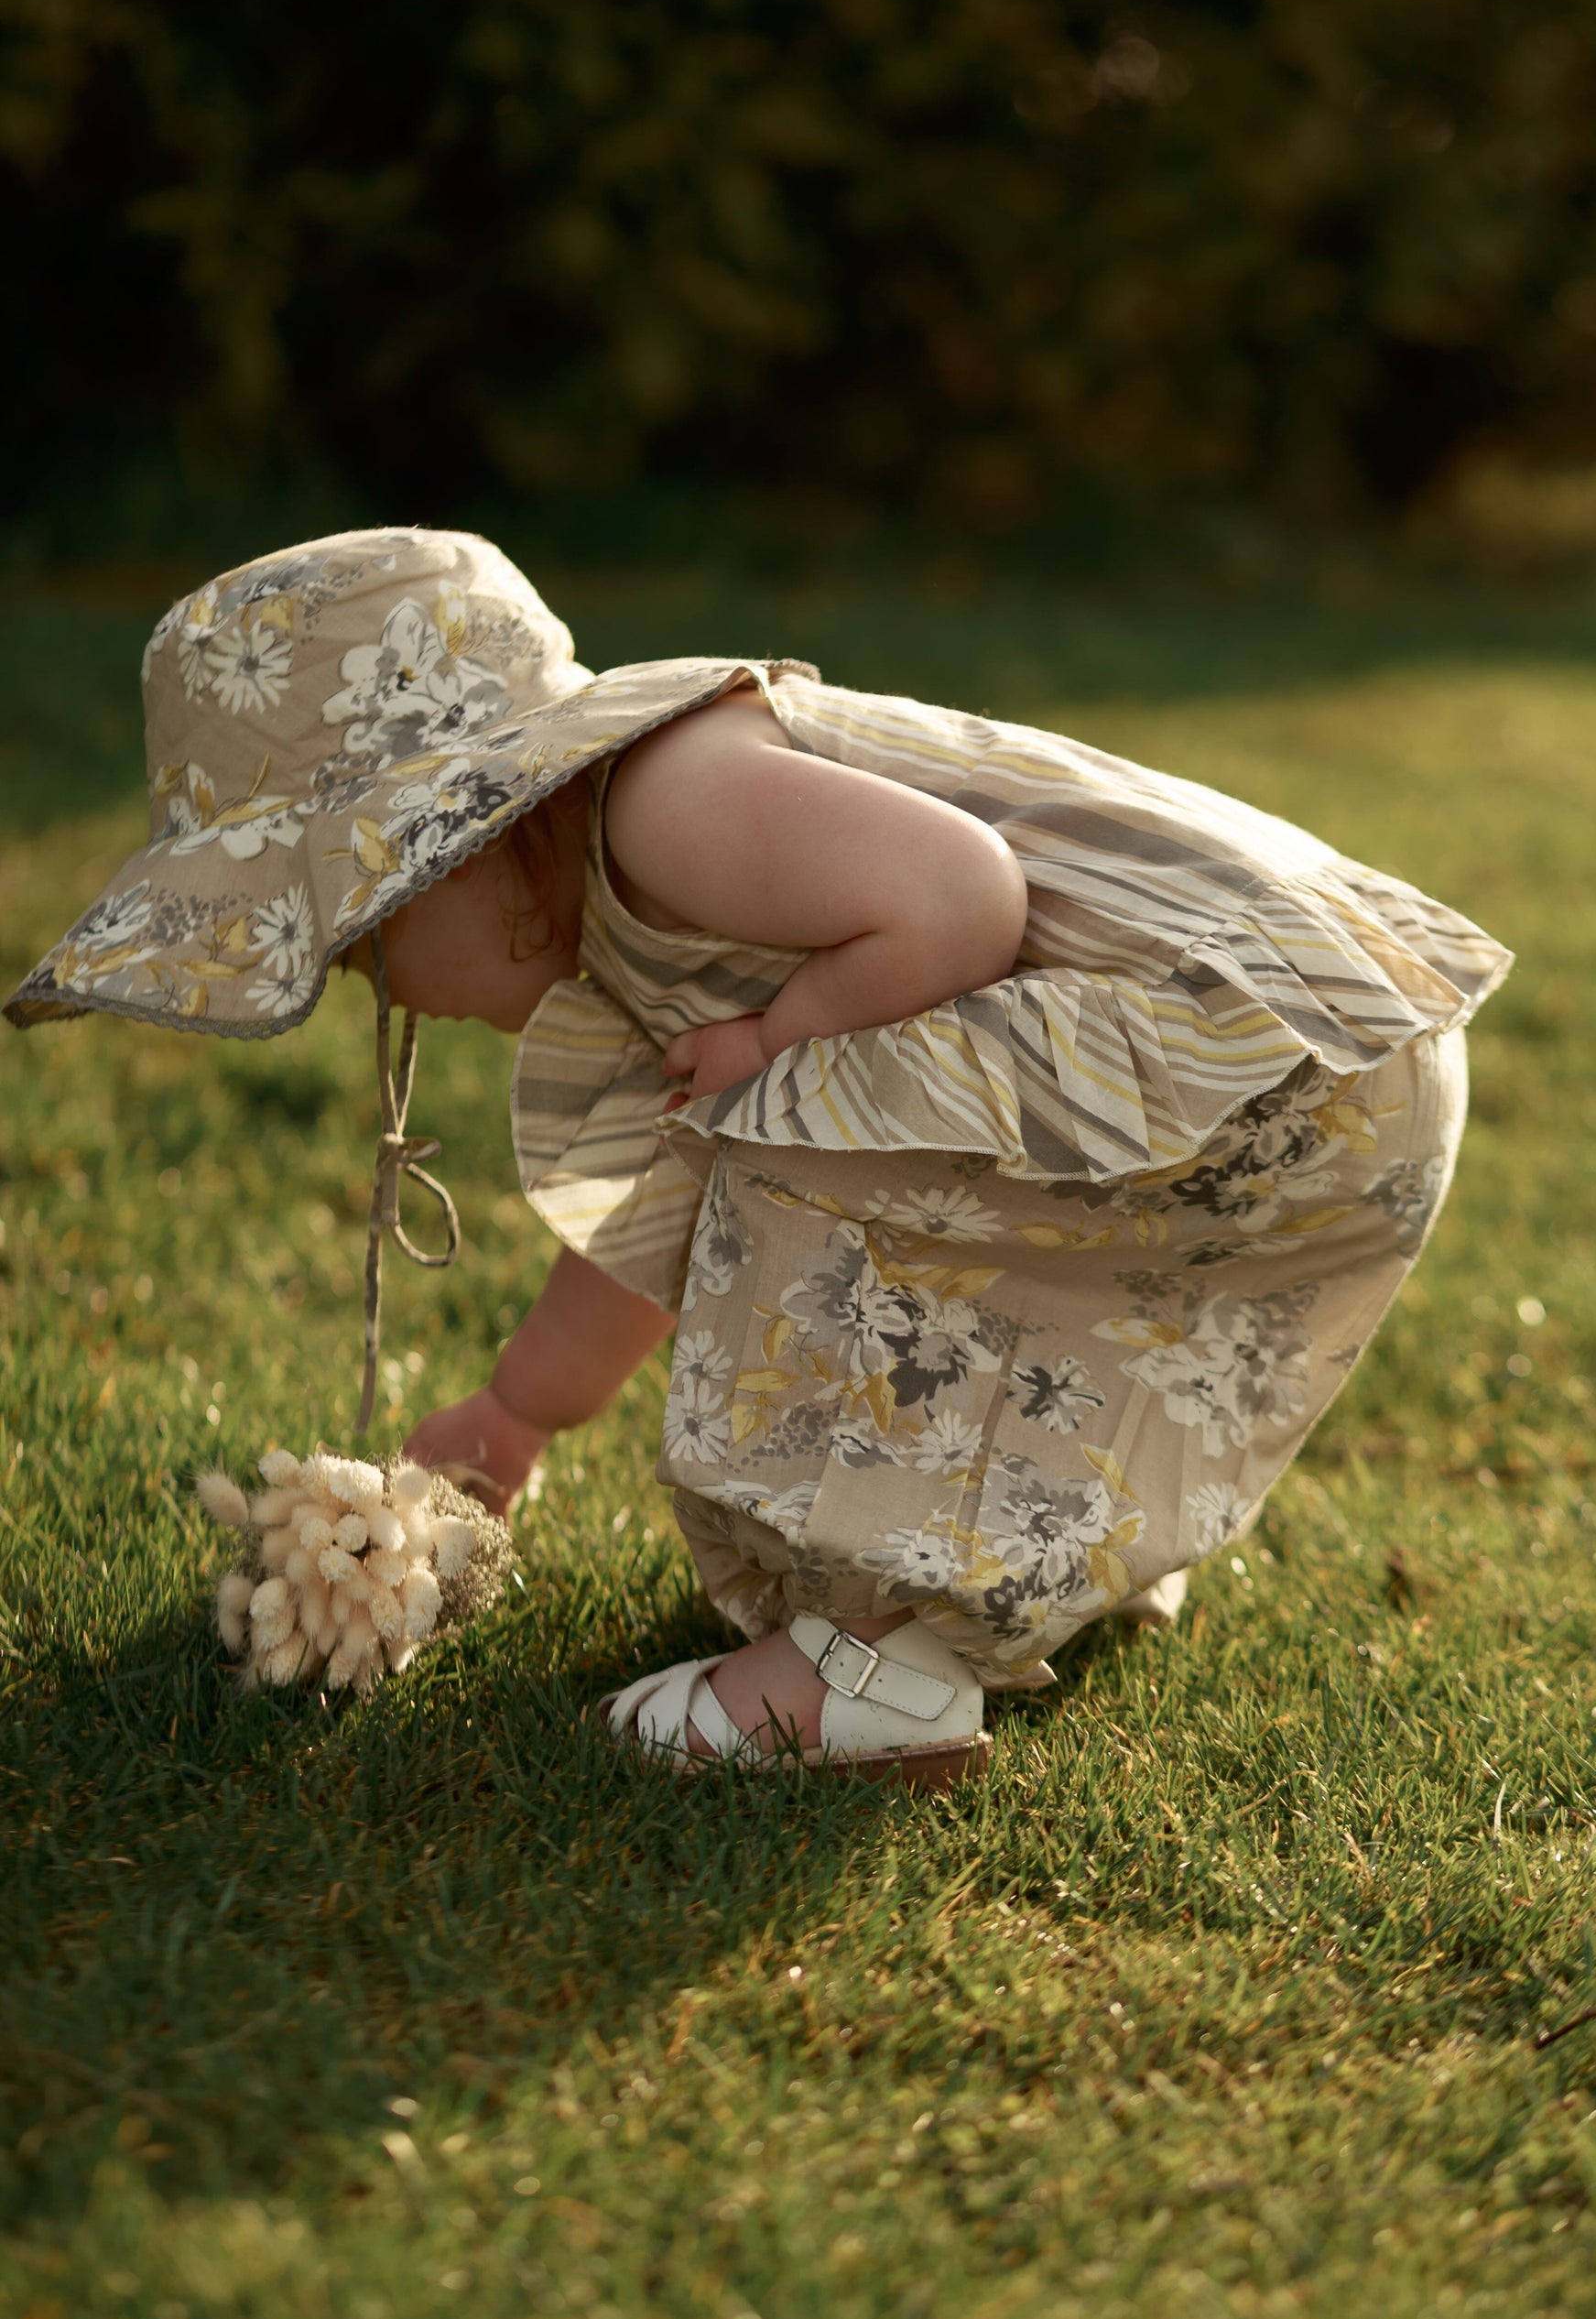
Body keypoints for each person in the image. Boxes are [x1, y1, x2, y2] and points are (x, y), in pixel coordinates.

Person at [6, 528, 1510, 1783]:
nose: (383, 991)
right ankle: (1053, 1568)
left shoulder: (669, 805)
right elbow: (659, 1211)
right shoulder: (621, 907)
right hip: (1308, 1078)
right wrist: (515, 1414)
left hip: (1240, 1057)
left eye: (362, 935)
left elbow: (958, 895)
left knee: (799, 1137)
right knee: (862, 1187)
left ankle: (884, 1667)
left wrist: (784, 1037)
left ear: (461, 834)